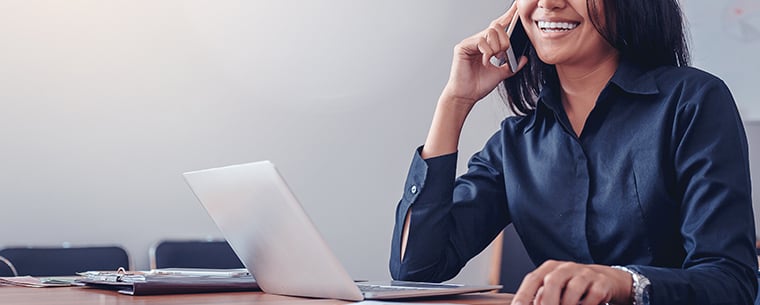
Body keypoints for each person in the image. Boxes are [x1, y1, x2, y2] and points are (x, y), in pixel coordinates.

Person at [388, 0, 759, 304]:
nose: (549, 3)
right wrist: (455, 101)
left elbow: (732, 282)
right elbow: (416, 270)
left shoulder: (692, 102)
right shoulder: (517, 141)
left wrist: (623, 283)